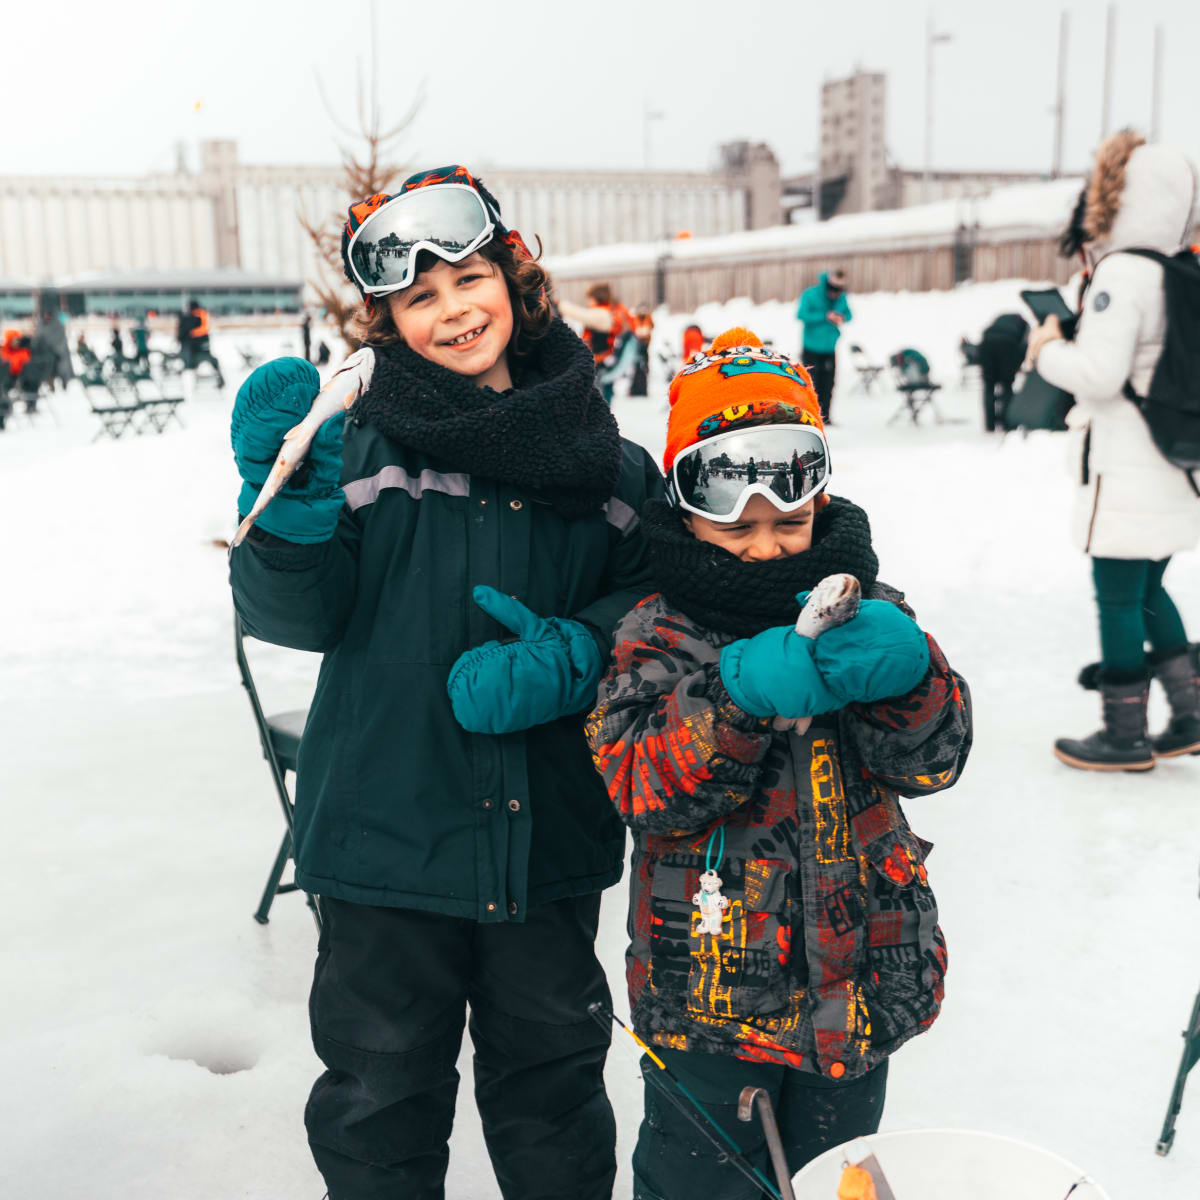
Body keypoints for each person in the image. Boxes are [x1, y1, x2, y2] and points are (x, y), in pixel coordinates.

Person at [228, 164, 663, 1199]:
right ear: (388, 320)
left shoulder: (606, 464)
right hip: (384, 841)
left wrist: (576, 652)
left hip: (547, 842)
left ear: (515, 279)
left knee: (555, 1092)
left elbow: (659, 605)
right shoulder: (358, 445)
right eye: (419, 298)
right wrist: (285, 511)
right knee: (379, 1098)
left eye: (468, 280)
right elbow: (295, 615)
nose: (454, 312)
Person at [586, 327, 973, 1196]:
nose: (766, 545)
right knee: (698, 1185)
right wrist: (733, 699)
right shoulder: (658, 632)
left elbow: (936, 761)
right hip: (711, 1009)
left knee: (836, 1182)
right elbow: (638, 781)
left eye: (789, 522)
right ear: (687, 509)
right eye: (739, 525)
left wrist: (910, 678)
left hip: (859, 992)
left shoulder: (868, 610)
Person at [1026, 130, 1200, 770]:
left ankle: (1124, 732)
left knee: (1119, 596)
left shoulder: (1122, 273)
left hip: (1126, 466)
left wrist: (1046, 346)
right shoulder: (1180, 271)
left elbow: (1098, 374)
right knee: (1151, 587)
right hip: (1174, 460)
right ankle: (1189, 712)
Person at [559, 282, 634, 405]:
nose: (588, 302)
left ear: (597, 298)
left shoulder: (601, 314)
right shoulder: (605, 312)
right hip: (602, 362)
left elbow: (580, 314)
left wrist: (560, 304)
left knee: (597, 400)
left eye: (590, 299)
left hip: (600, 363)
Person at [796, 269, 851, 422]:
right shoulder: (810, 294)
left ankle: (825, 417)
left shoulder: (841, 297)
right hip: (811, 347)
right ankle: (810, 416)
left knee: (828, 384)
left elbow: (849, 314)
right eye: (833, 290)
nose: (835, 293)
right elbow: (801, 314)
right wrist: (825, 316)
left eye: (839, 290)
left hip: (829, 348)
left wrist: (841, 317)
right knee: (812, 384)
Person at [976, 313, 1028, 432]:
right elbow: (1025, 345)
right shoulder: (1024, 325)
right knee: (1007, 385)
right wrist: (1017, 365)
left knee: (988, 386)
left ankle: (989, 425)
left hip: (986, 342)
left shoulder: (999, 320)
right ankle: (1006, 423)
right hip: (1008, 343)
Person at [184, 297, 226, 388]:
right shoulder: (194, 315)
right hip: (197, 345)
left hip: (201, 344)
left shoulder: (200, 314)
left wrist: (193, 333)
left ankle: (220, 380)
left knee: (208, 361)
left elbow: (205, 328)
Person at [629, 303, 654, 397]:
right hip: (636, 347)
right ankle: (635, 390)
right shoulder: (635, 319)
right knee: (636, 369)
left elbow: (651, 327)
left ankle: (642, 390)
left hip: (645, 347)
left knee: (644, 369)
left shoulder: (648, 319)